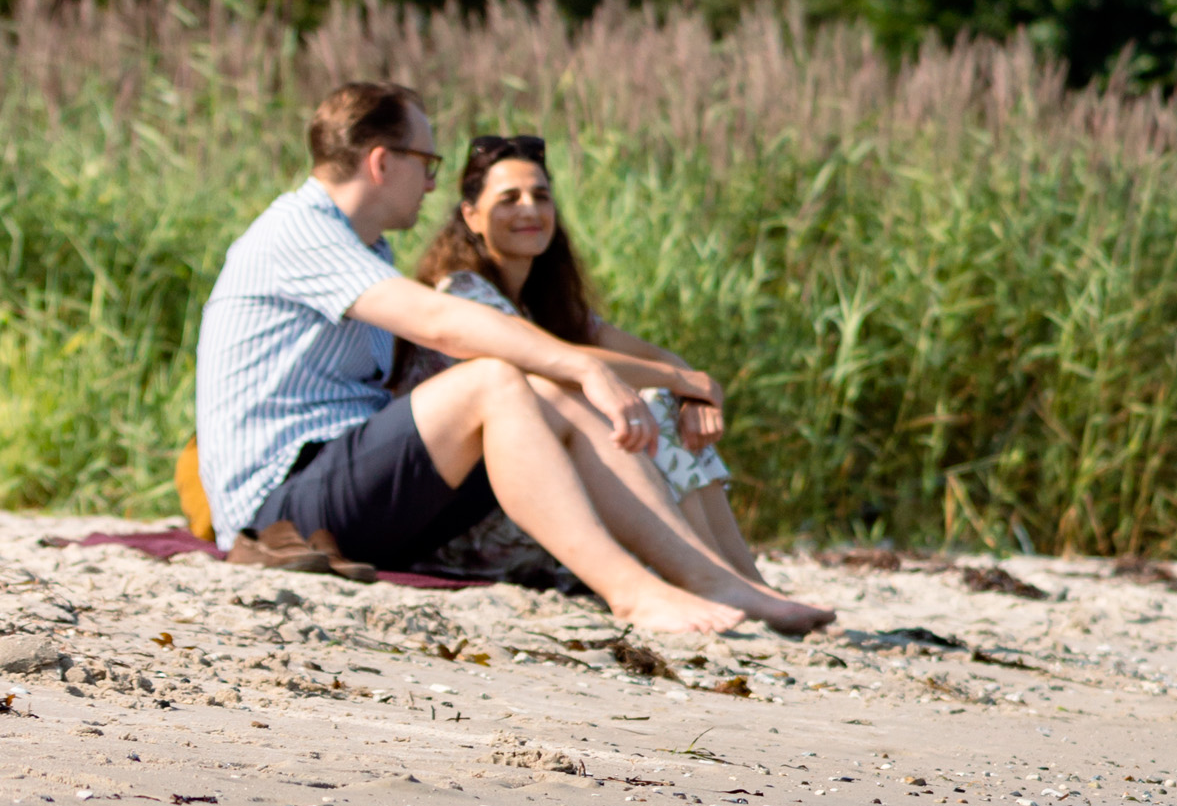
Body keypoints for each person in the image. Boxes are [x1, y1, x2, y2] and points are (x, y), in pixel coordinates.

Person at [194, 82, 833, 635]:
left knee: (543, 389)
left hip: (346, 489)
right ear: (382, 162)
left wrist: (583, 377)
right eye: (427, 161)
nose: (434, 181)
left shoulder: (367, 250)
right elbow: (445, 324)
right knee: (497, 380)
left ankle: (710, 577)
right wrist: (585, 365)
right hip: (278, 508)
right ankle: (634, 592)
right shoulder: (299, 232)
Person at [392, 135, 766, 587]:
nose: (530, 209)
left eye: (541, 196)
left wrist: (693, 391)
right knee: (654, 400)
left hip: (546, 499)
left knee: (661, 400)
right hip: (480, 521)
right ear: (471, 215)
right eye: (509, 199)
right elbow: (567, 361)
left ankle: (740, 574)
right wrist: (687, 383)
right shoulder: (463, 294)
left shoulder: (543, 303)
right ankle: (714, 575)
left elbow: (653, 358)